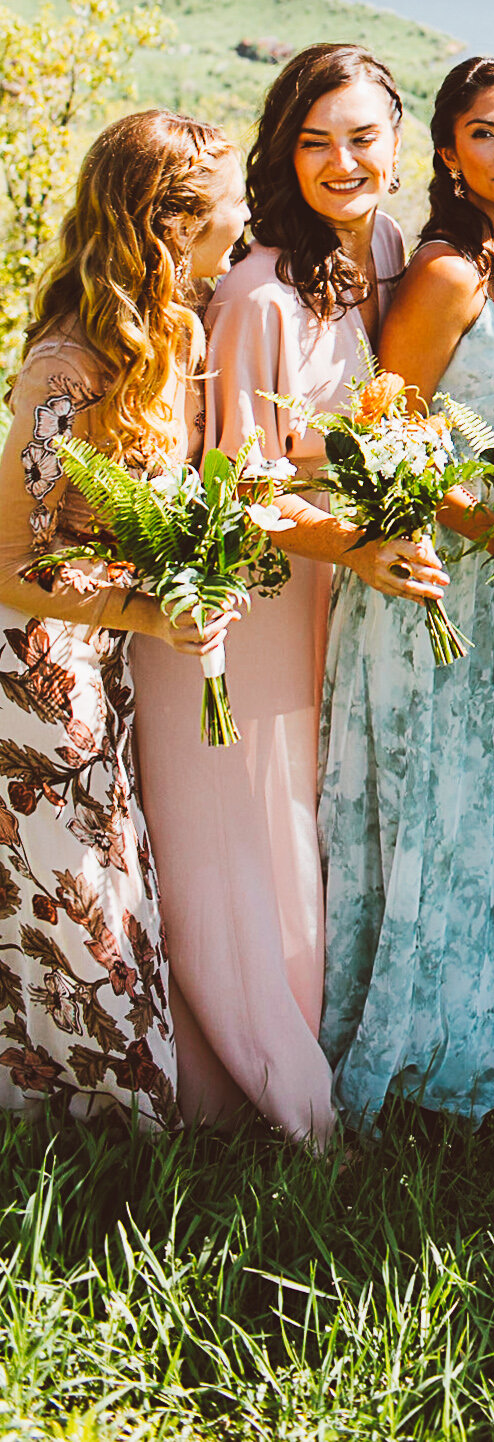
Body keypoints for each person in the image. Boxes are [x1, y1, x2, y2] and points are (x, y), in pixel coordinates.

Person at [130, 44, 443, 1143]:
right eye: (315, 143)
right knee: (258, 829)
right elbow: (233, 487)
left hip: (331, 596)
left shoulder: (395, 254)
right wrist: (356, 549)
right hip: (250, 602)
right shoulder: (263, 290)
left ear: (398, 142)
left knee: (312, 819)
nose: (342, 162)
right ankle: (270, 1082)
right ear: (282, 153)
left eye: (362, 138)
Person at [317, 58, 494, 1126]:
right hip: (432, 582)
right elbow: (384, 426)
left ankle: (492, 1030)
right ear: (446, 154)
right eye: (484, 133)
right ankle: (410, 1046)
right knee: (432, 805)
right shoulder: (445, 275)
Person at [0, 111, 246, 1127]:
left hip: (102, 665)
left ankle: (101, 1121)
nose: (247, 213)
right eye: (233, 197)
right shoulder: (66, 368)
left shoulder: (177, 333)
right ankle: (106, 1133)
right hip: (32, 679)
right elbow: (11, 562)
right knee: (79, 908)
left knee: (107, 894)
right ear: (175, 220)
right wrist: (153, 607)